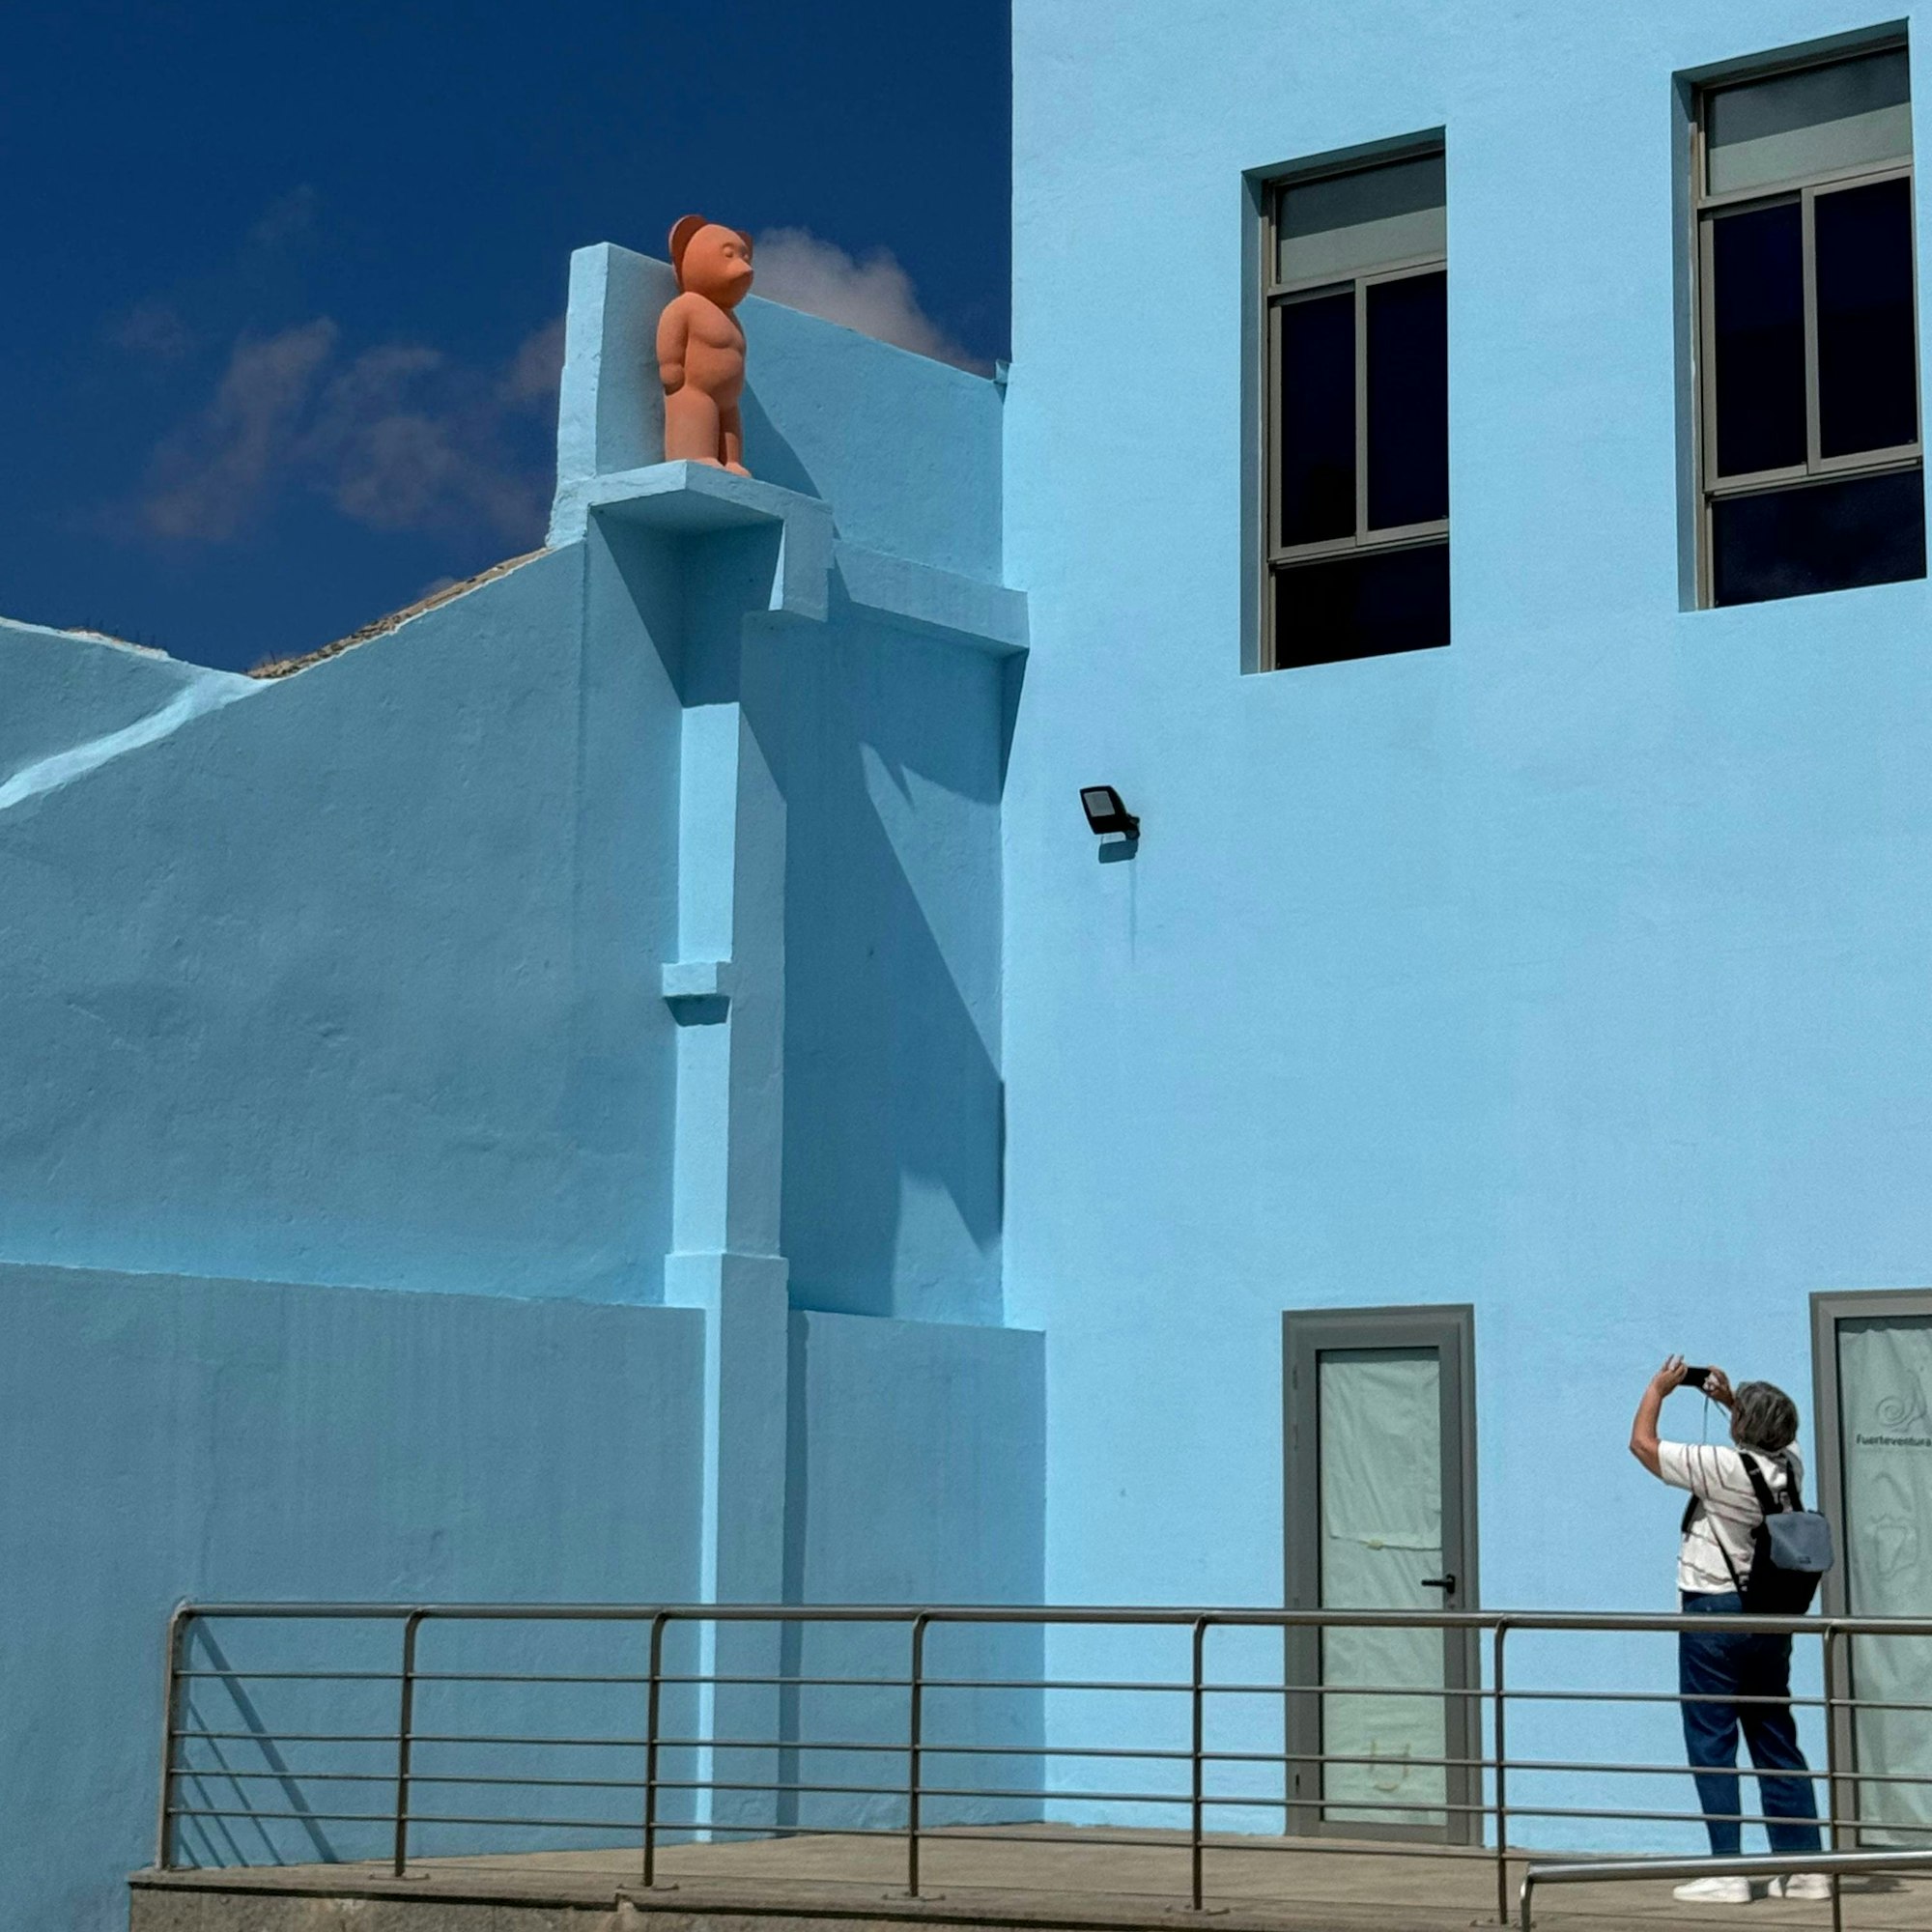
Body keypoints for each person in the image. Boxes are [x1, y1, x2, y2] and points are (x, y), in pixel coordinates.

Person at [1630, 1355, 1831, 1904]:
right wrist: (1729, 1400)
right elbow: (1762, 1437)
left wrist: (1659, 1388)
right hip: (1769, 1618)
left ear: (1743, 1428)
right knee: (1773, 1735)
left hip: (1714, 1614)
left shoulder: (1721, 1467)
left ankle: (1728, 1869)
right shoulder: (1791, 1465)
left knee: (1712, 1740)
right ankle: (1805, 1867)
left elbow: (1643, 1445)